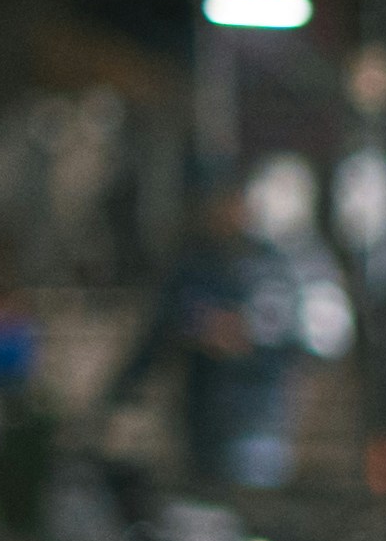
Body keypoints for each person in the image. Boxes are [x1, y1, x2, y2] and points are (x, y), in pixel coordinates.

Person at [113, 163, 319, 495]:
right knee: (209, 514)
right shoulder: (191, 268)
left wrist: (247, 335)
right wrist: (119, 394)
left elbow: (296, 338)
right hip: (202, 415)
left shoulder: (270, 266)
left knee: (254, 509)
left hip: (258, 418)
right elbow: (157, 336)